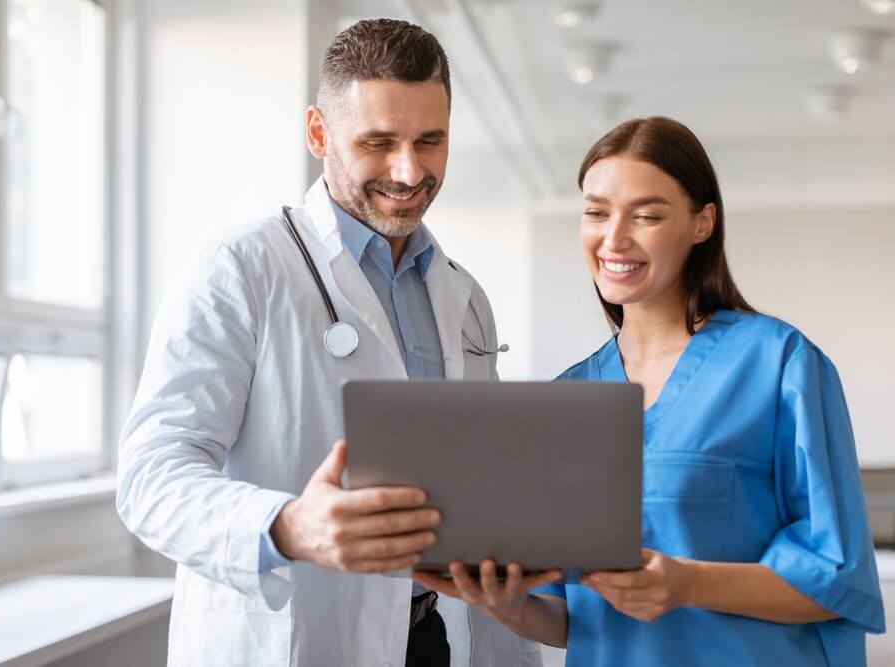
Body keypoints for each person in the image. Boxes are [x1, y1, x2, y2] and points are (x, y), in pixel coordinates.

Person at [116, 18, 540, 667]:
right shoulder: (238, 270)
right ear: (319, 132)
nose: (409, 169)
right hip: (296, 641)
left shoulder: (464, 295)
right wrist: (289, 525)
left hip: (434, 637)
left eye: (431, 140)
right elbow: (149, 478)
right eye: (378, 142)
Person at [413, 116, 885, 666]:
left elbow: (836, 575)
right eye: (595, 212)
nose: (614, 238)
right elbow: (569, 617)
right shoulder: (570, 397)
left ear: (702, 223)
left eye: (647, 215)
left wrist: (686, 584)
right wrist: (498, 603)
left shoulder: (778, 364)